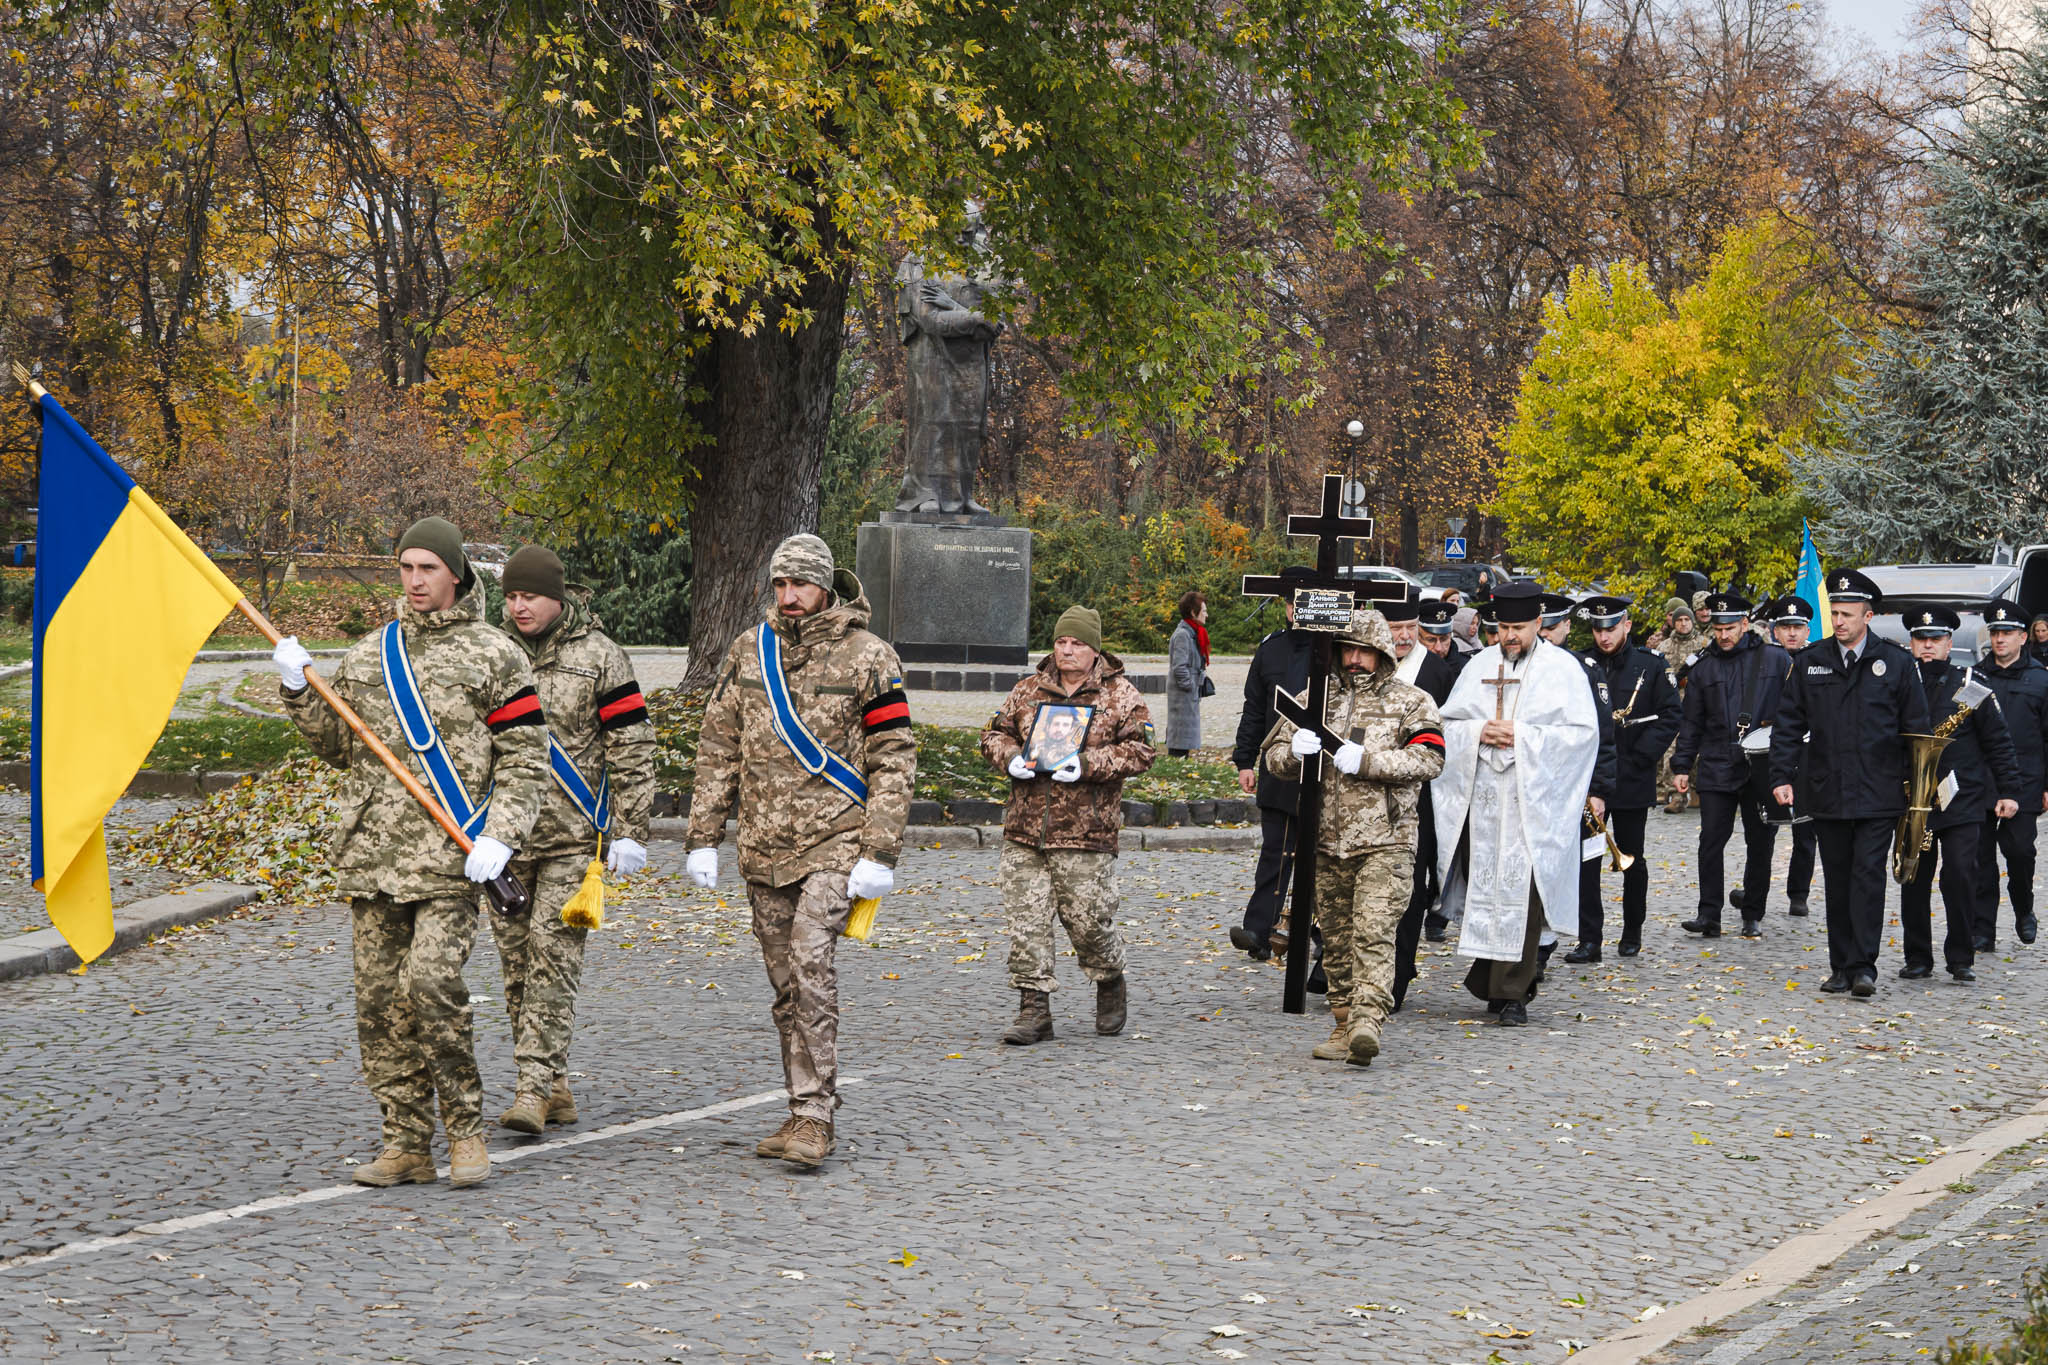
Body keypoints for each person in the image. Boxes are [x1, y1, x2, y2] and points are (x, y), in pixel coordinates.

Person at [273, 516, 549, 1190]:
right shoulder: (370, 654)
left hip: (453, 857)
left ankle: (464, 1129)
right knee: (378, 1006)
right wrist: (298, 691)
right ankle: (405, 1142)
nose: (416, 580)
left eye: (429, 567)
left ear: (457, 573)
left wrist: (502, 834)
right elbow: (340, 748)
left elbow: (525, 759)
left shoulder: (495, 655)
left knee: (431, 985)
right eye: (406, 567)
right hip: (373, 855)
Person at [687, 534, 917, 1169]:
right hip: (764, 847)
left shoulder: (870, 657)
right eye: (780, 585)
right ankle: (798, 1107)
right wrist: (703, 836)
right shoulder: (747, 652)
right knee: (786, 984)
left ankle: (816, 1116)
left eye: (801, 585)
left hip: (837, 841)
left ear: (826, 587)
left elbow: (893, 759)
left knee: (812, 964)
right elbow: (717, 747)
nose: (788, 597)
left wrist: (880, 850)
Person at [489, 545, 657, 1135]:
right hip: (503, 842)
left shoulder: (601, 658)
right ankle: (555, 1084)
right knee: (516, 968)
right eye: (510, 596)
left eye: (528, 596)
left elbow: (631, 747)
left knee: (551, 963)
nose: (518, 607)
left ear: (557, 597)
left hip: (572, 841)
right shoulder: (492, 651)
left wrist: (631, 829)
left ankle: (531, 1089)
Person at [1266, 609, 1444, 1062]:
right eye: (1347, 649)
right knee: (1338, 941)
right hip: (1326, 841)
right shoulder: (1315, 700)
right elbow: (1273, 756)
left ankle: (1368, 1022)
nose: (1354, 660)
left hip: (1387, 841)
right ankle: (1344, 1023)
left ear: (1382, 653)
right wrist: (1293, 753)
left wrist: (1368, 761)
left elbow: (1430, 759)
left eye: (1364, 651)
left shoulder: (1412, 701)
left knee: (1374, 932)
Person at [981, 605, 1156, 1045]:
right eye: (1061, 641)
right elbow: (993, 733)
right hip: (1025, 829)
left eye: (1077, 643)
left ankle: (1110, 977)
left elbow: (1142, 751)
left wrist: (1087, 764)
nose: (1067, 650)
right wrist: (1010, 758)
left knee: (1089, 924)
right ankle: (1034, 1009)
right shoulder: (1027, 689)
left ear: (1094, 648)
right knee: (1027, 923)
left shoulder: (1121, 697)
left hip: (1085, 833)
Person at [1433, 579, 1601, 1026]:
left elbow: (1582, 737)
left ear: (1539, 623)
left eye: (1520, 628)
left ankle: (1513, 994)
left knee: (1524, 897)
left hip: (1533, 805)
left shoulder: (1563, 670)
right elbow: (1446, 727)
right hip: (1482, 801)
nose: (1511, 636)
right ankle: (1493, 982)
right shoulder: (1478, 667)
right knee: (1486, 892)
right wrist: (1477, 733)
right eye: (1504, 627)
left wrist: (1523, 736)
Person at [1769, 569, 1930, 998]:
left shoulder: (1896, 662)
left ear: (1868, 615)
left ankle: (1864, 966)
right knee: (1837, 881)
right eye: (1834, 613)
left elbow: (1916, 730)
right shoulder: (1811, 661)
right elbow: (1788, 723)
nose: (1838, 621)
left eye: (1847, 614)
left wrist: (1917, 790)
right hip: (1827, 788)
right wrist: (1782, 775)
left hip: (1879, 791)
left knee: (1868, 879)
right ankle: (1839, 965)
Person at [1898, 606, 2021, 983]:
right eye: (1922, 639)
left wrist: (2009, 790)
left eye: (1936, 639)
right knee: (1914, 879)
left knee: (1960, 877)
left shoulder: (1970, 682)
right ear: (1912, 643)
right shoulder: (1900, 682)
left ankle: (1961, 956)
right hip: (1915, 799)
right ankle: (1918, 957)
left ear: (1949, 643)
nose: (1928, 646)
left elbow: (1998, 742)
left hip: (1962, 799)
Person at [1672, 592, 1790, 939]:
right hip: (1717, 761)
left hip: (1761, 765)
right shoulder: (1704, 667)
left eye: (1730, 628)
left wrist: (1788, 765)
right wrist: (1681, 766)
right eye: (1718, 628)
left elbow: (1793, 715)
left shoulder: (1775, 660)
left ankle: (1753, 911)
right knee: (1710, 840)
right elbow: (1691, 722)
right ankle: (1709, 914)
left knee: (1760, 841)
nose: (1723, 635)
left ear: (1744, 623)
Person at [1569, 595, 1680, 961]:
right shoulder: (1579, 664)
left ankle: (1633, 929)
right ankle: (1589, 938)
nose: (1603, 637)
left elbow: (1670, 714)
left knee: (1633, 857)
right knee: (1588, 859)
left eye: (1611, 628)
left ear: (1627, 626)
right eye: (1598, 630)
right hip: (1589, 778)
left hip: (1632, 777)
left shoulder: (1650, 665)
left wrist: (1641, 756)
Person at [1230, 568, 1317, 960]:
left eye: (1307, 603)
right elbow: (1254, 709)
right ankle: (1259, 931)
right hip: (1278, 770)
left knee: (1322, 858)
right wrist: (1244, 759)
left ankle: (1316, 935)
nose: (1299, 611)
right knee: (1275, 854)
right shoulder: (1271, 649)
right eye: (1293, 604)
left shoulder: (1337, 647)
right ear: (1285, 607)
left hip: (1323, 770)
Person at [1383, 595, 1458, 1002]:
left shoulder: (1437, 671)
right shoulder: (1363, 664)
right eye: (1397, 628)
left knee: (1410, 882)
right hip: (1369, 793)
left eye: (1412, 626)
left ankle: (1398, 974)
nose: (1407, 635)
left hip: (1423, 796)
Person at [1975, 598, 2048, 950]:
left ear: (2023, 637)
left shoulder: (2040, 680)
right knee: (1979, 857)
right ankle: (1982, 930)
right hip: (1983, 781)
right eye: (1995, 633)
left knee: (2020, 852)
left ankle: (2024, 909)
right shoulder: (1976, 677)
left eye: (2007, 633)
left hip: (2024, 781)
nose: (2000, 639)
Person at [1758, 595, 1819, 918]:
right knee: (1763, 829)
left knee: (1806, 829)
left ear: (1807, 629)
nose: (1792, 633)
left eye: (1797, 627)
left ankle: (1799, 892)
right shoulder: (1765, 661)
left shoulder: (1817, 660)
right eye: (1785, 627)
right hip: (1770, 748)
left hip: (1807, 750)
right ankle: (1757, 890)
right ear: (1774, 631)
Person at [1656, 602, 1703, 813]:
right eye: (1679, 620)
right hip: (1673, 704)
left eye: (1687, 620)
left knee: (1698, 749)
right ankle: (1675, 794)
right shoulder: (1663, 647)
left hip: (1699, 703)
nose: (1683, 624)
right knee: (1671, 750)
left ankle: (1696, 791)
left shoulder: (1704, 644)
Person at [1165, 590, 1210, 758]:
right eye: (1203, 611)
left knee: (1185, 735)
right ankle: (1177, 763)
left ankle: (1181, 760)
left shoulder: (1193, 633)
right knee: (1179, 735)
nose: (1206, 614)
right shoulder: (1183, 635)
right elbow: (1179, 667)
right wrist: (1190, 686)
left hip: (1188, 693)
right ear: (1193, 612)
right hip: (1182, 695)